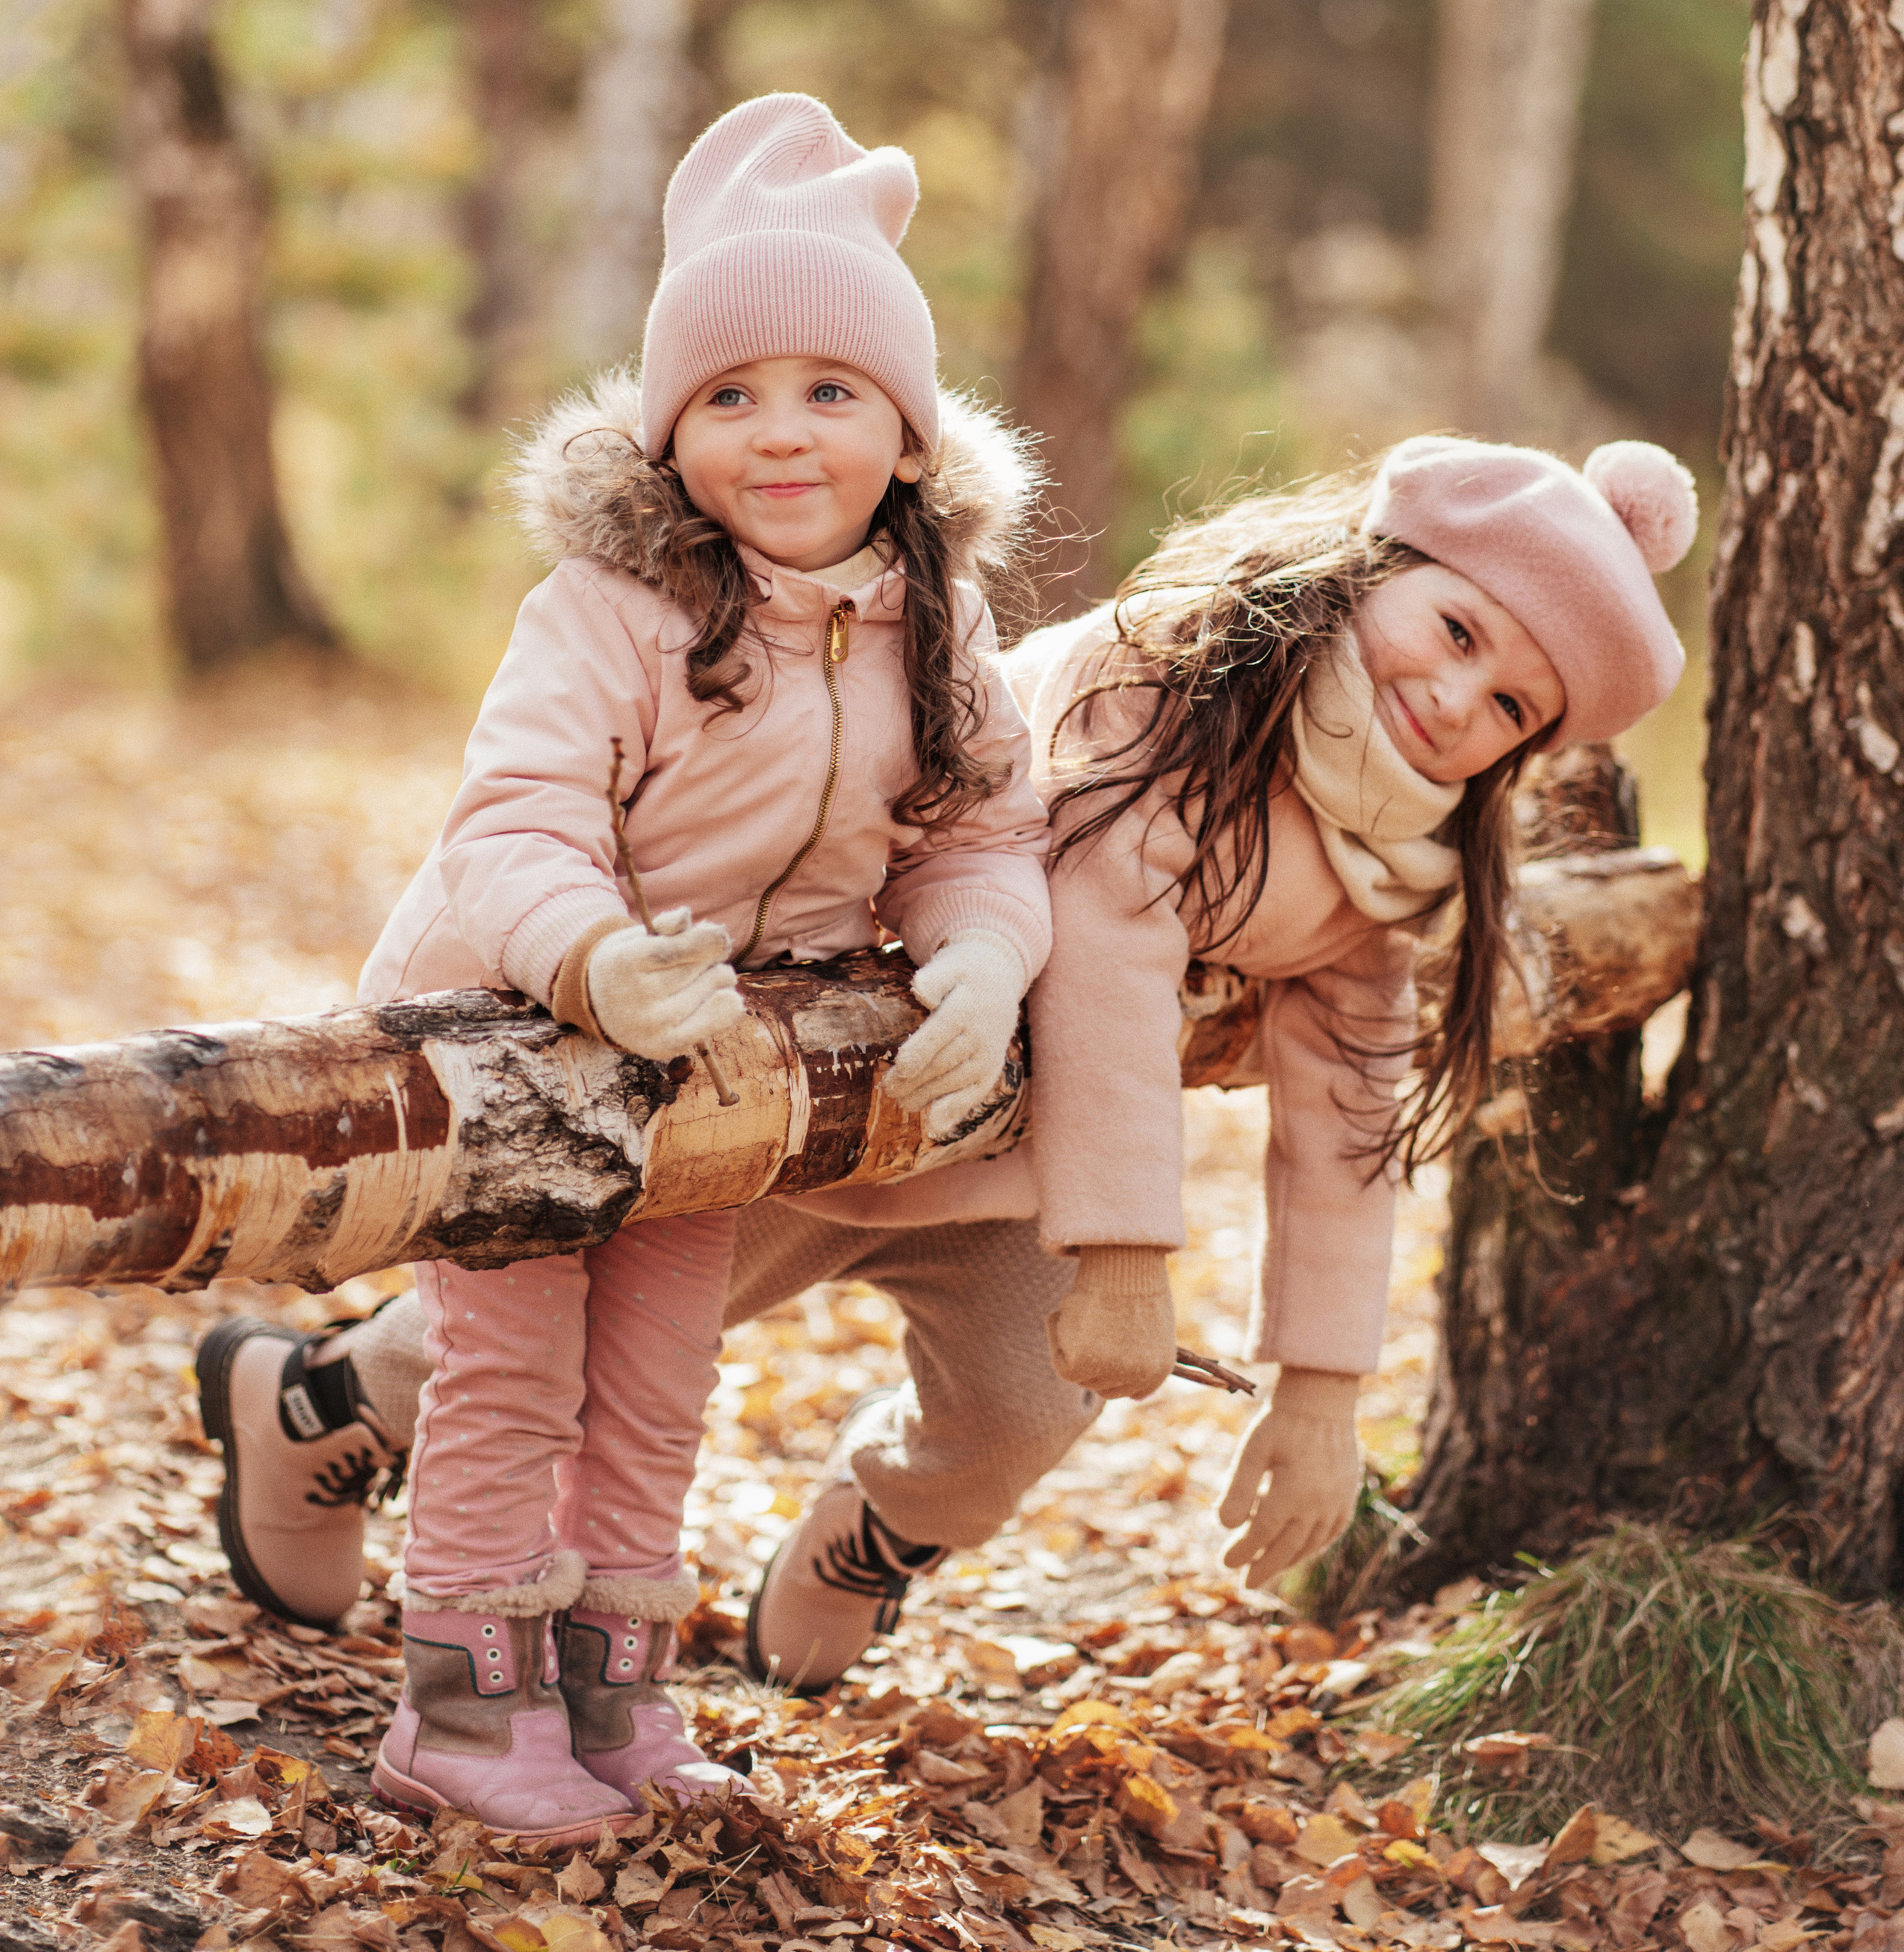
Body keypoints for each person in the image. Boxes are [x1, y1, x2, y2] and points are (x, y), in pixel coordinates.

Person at [203, 433, 1695, 1695]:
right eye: (1454, 633)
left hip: (1010, 1168)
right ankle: (311, 1408)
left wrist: (1316, 1385)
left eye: (1509, 705)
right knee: (571, 1359)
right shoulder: (1156, 680)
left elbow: (1345, 1108)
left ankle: (870, 1535)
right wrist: (1125, 1255)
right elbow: (1104, 942)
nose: (1455, 699)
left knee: (1020, 1411)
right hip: (829, 1087)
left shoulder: (1394, 870)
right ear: (1372, 572)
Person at [201, 91, 1052, 1846]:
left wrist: (979, 961)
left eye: (829, 390)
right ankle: (459, 1707)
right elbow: (506, 827)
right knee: (511, 1374)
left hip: (723, 1074)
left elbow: (977, 833)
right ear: (672, 437)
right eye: (727, 397)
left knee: (660, 1374)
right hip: (517, 1041)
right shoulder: (611, 607)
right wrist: (591, 957)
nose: (779, 432)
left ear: (905, 432)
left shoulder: (936, 620)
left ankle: (614, 1685)